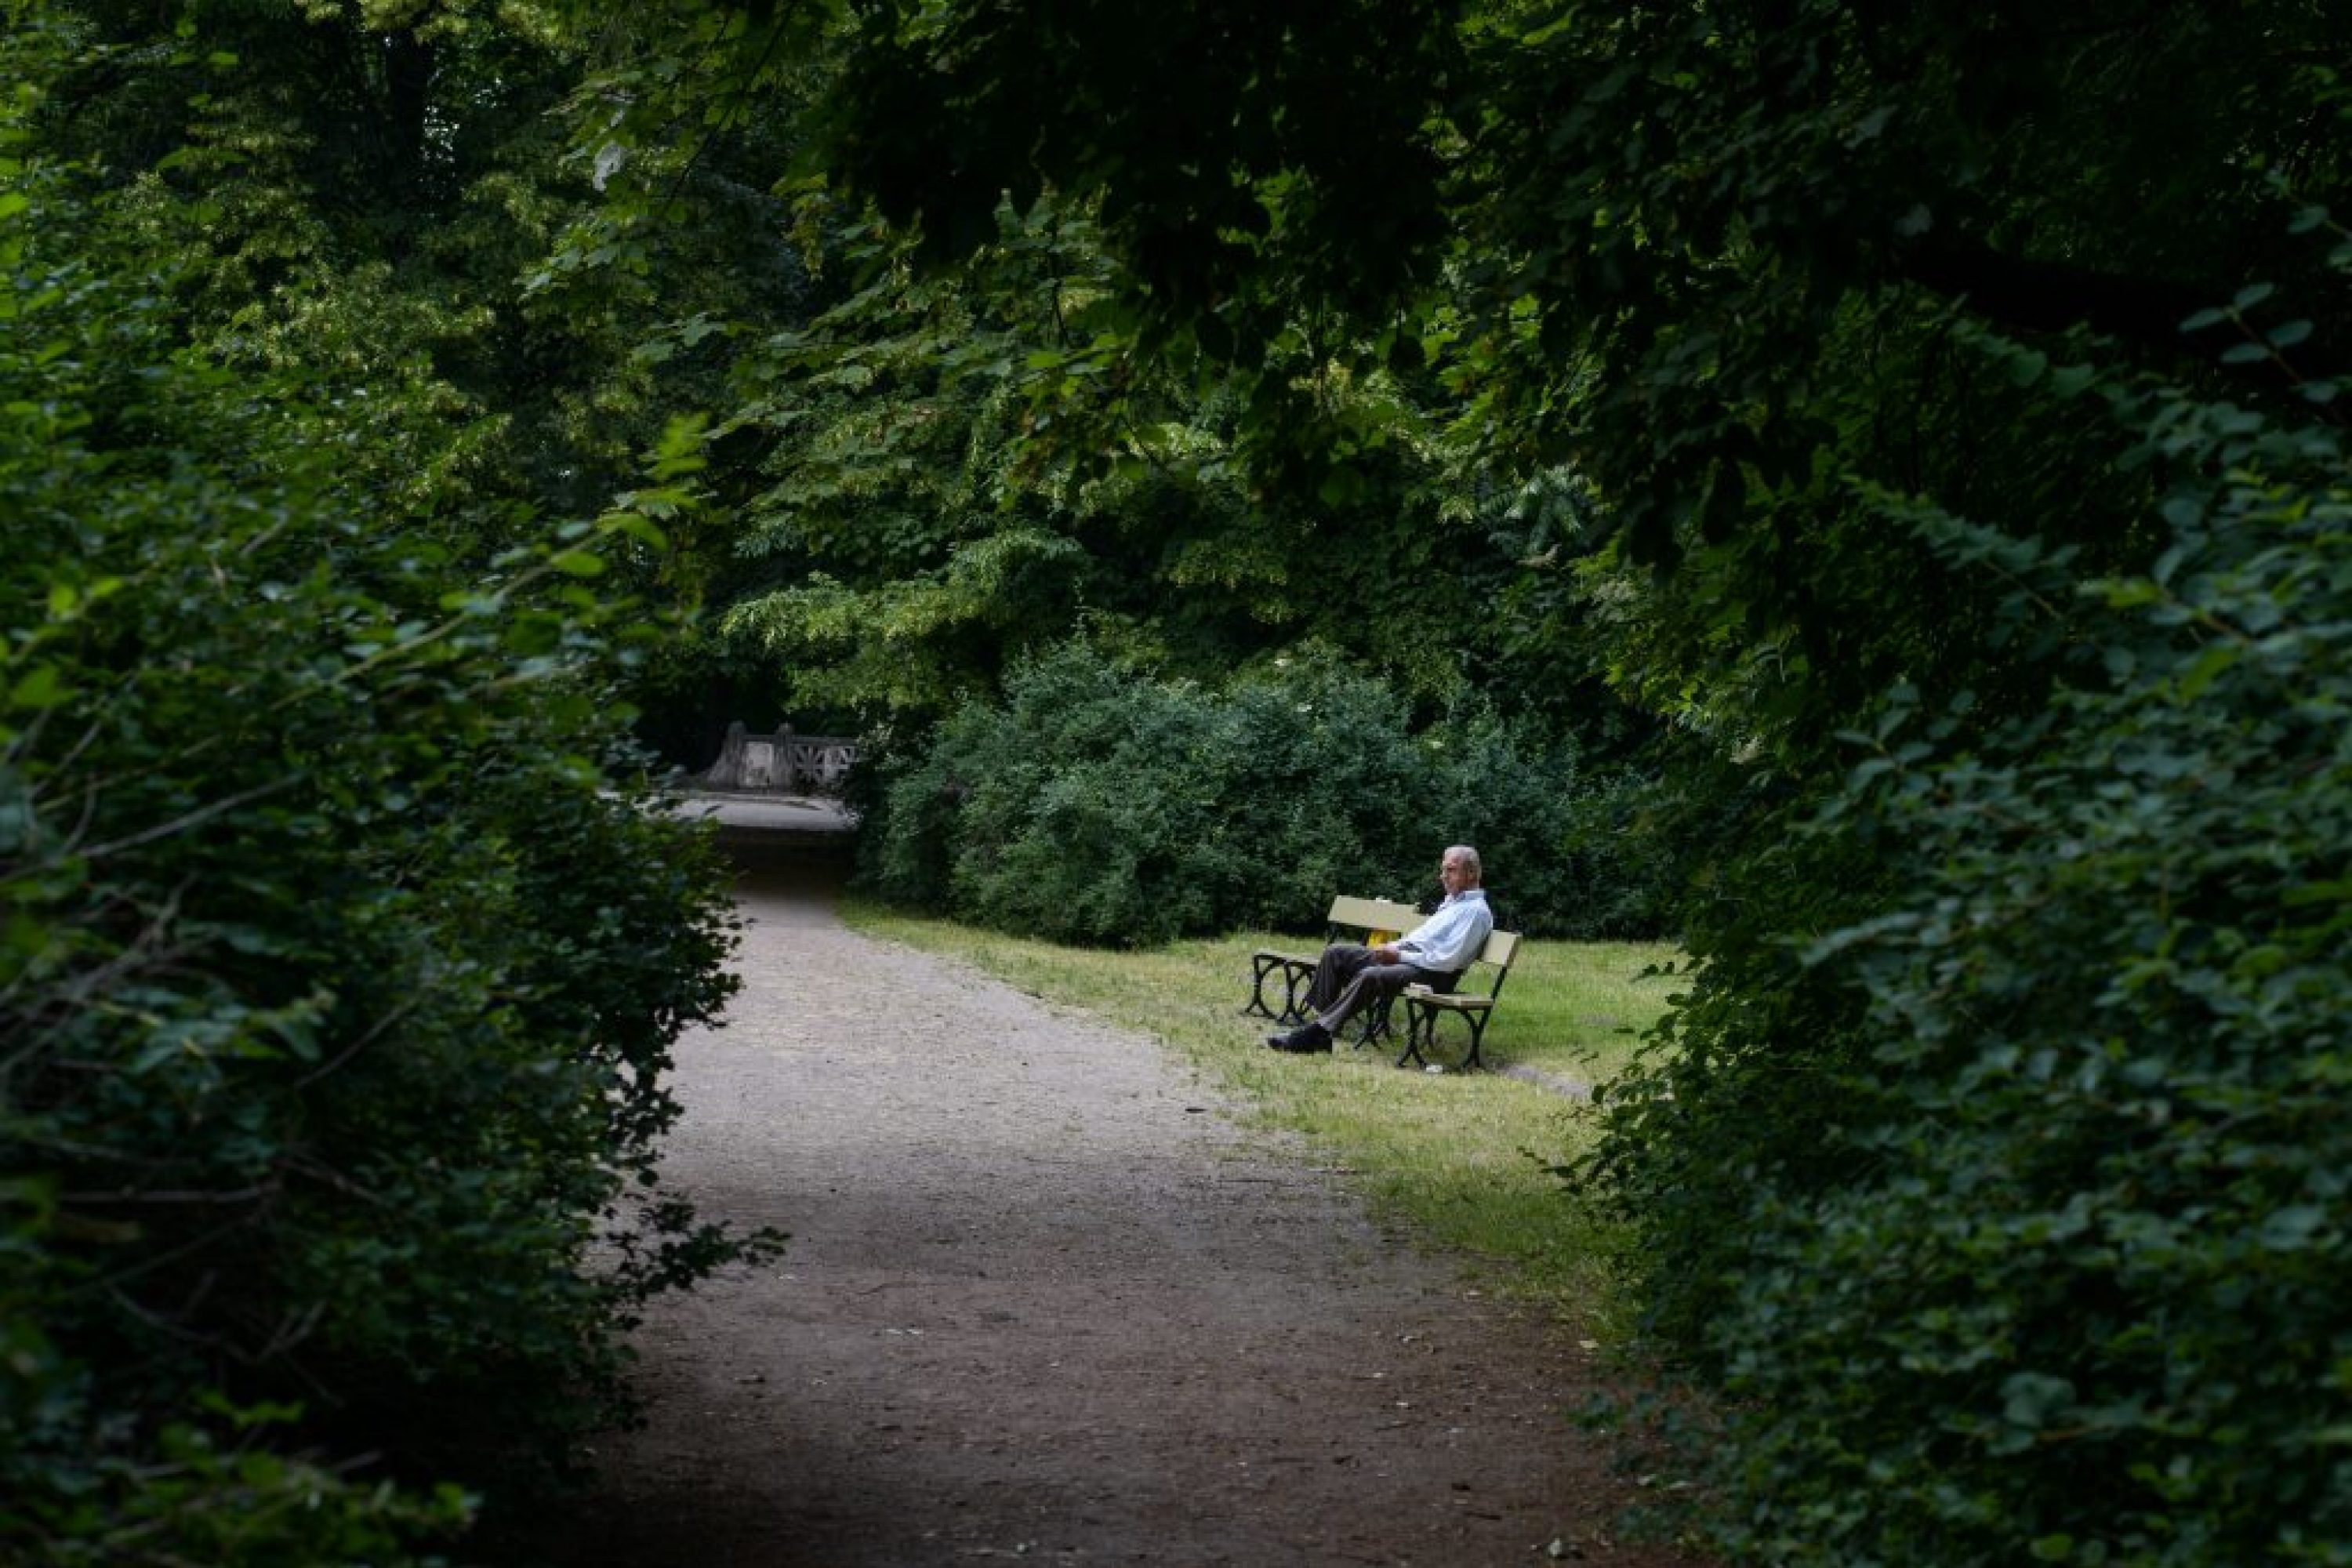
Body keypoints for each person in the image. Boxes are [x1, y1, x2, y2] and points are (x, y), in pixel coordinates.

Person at [1265, 846, 1493, 1054]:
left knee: (1371, 976)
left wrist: (1399, 955)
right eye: (1443, 870)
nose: (1443, 876)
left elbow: (1448, 960)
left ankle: (1312, 1035)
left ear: (1471, 873)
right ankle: (1322, 1030)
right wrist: (1391, 947)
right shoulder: (1453, 903)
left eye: (1450, 870)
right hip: (1413, 960)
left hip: (1435, 974)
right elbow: (1420, 940)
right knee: (1335, 953)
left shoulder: (1475, 912)